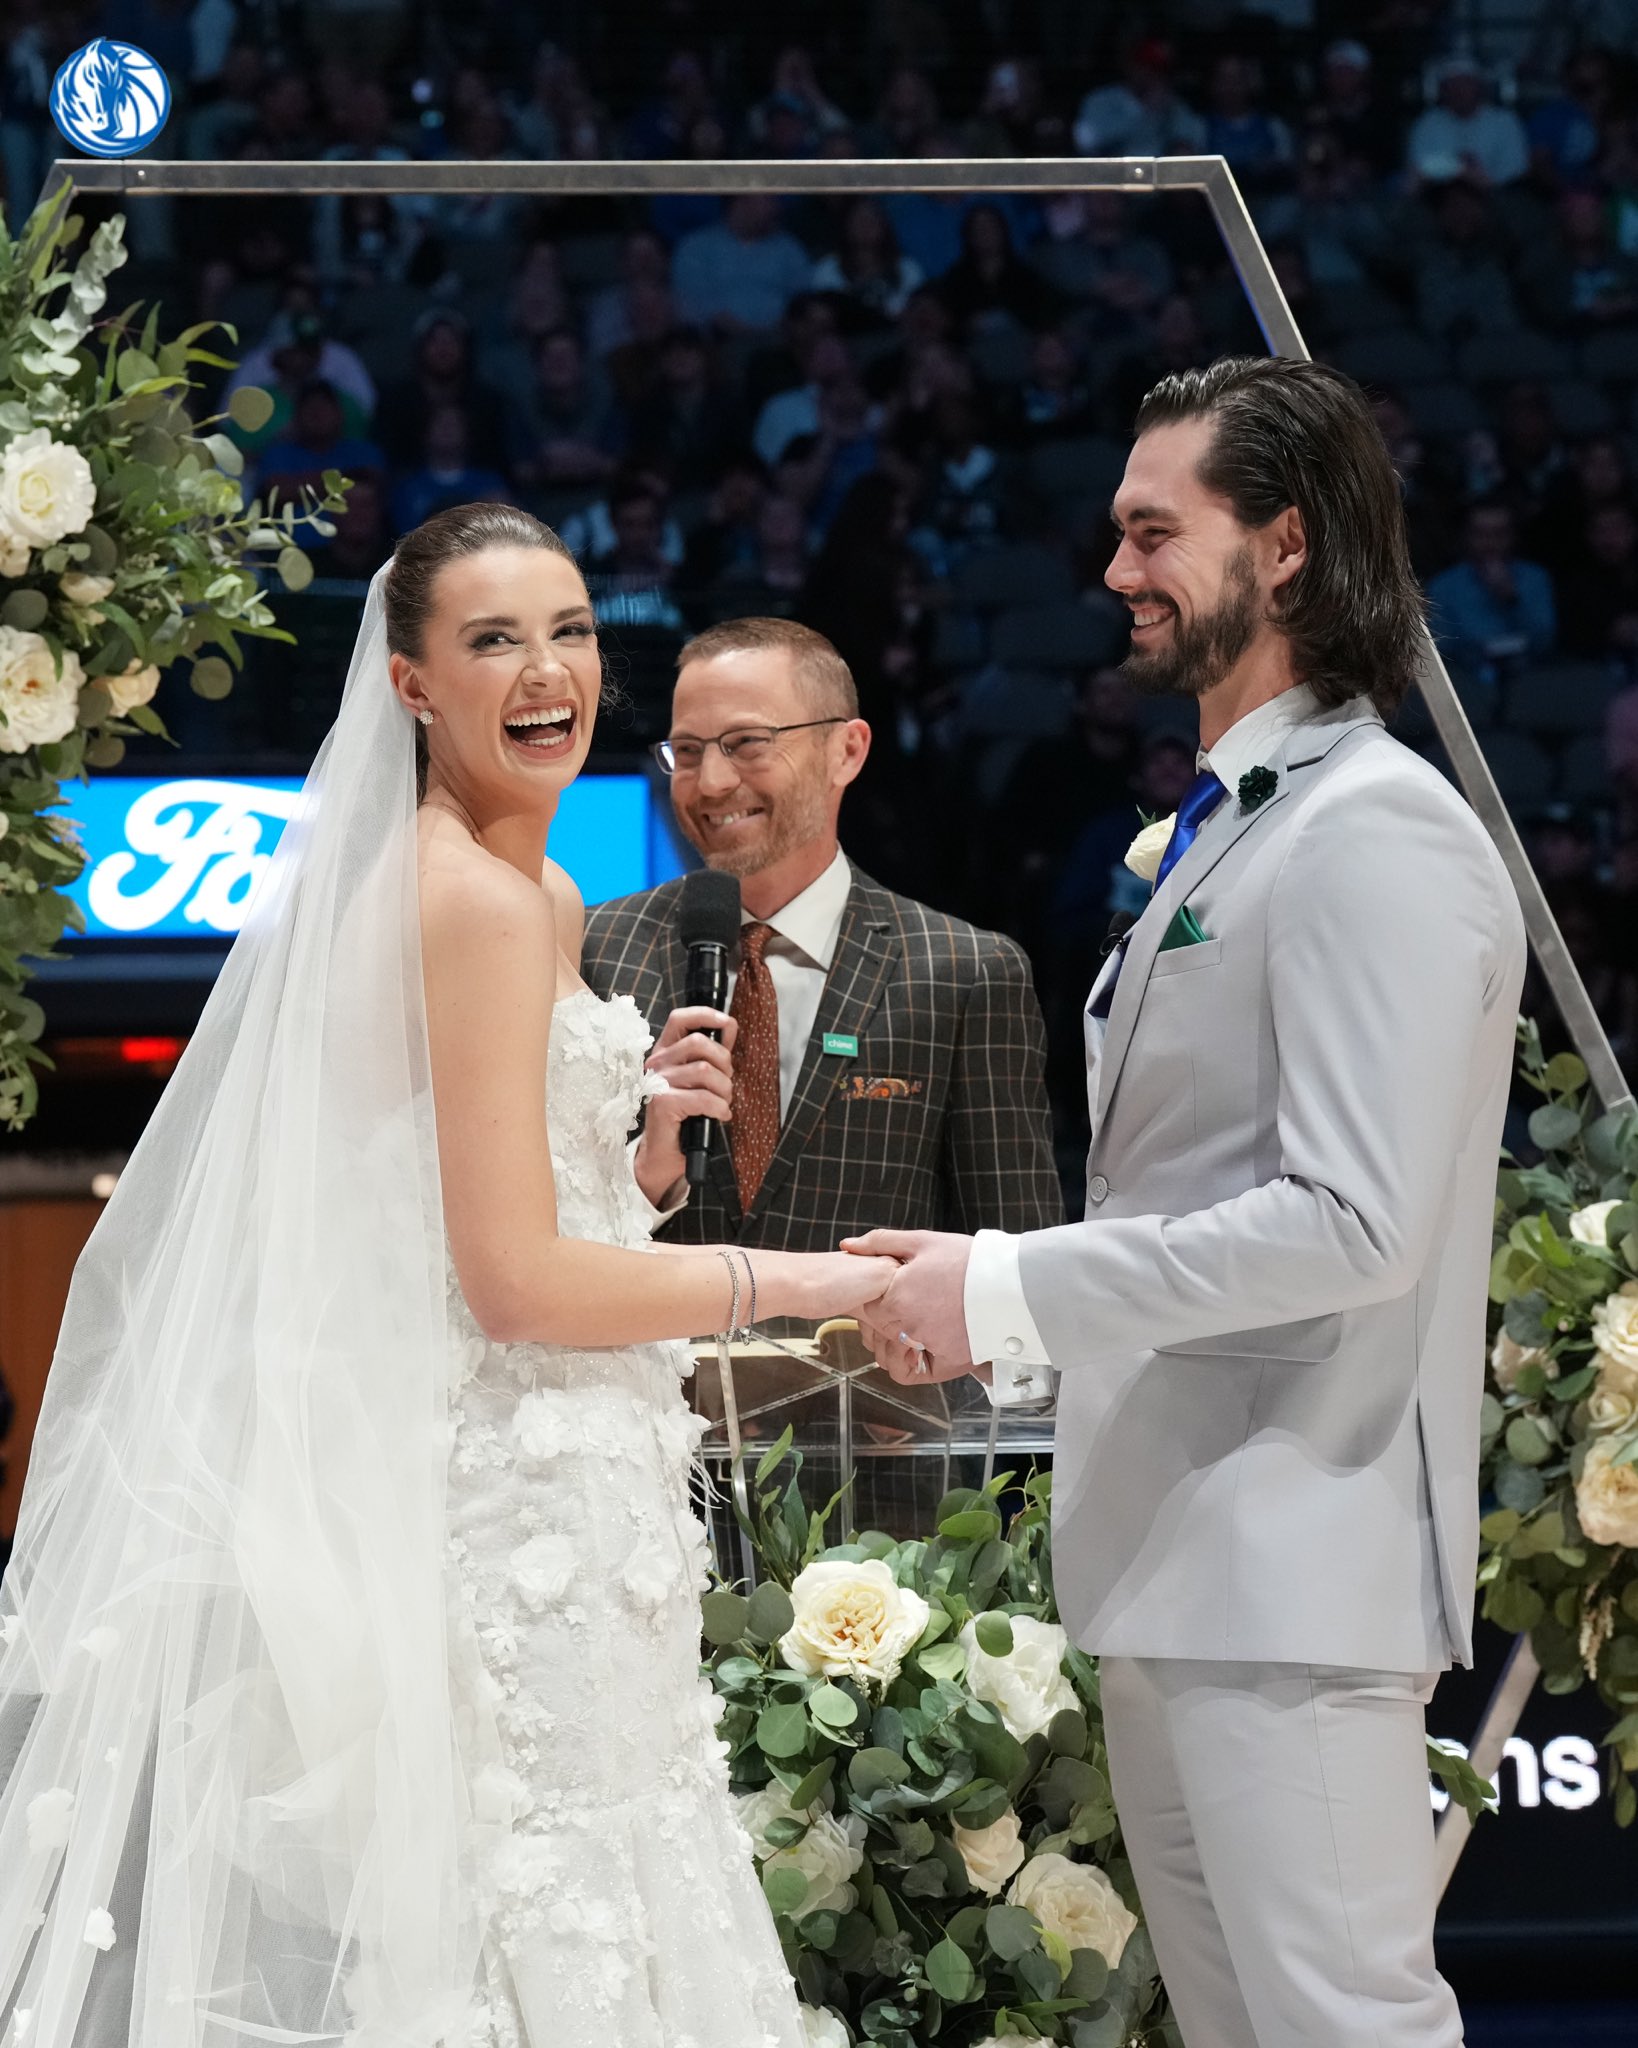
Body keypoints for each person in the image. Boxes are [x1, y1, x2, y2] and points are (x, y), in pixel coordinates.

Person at [0, 504, 895, 2046]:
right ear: (411, 686)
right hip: (506, 1509)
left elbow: (472, 1214)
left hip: (577, 1481)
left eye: (569, 631)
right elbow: (514, 1289)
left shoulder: (535, 894)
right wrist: (808, 1281)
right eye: (494, 640)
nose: (548, 672)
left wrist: (644, 1156)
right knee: (545, 1911)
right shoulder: (468, 902)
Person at [845, 357, 1526, 2048]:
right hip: (1184, 1564)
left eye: (1153, 531)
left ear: (1280, 547)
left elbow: (1354, 1224)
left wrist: (1007, 1287)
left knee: (1343, 2022)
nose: (1114, 572)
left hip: (1295, 1570)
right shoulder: (1222, 827)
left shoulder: (1381, 832)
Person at [580, 616, 1063, 1253]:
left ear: (848, 751)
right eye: (688, 751)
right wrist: (649, 1171)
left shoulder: (965, 973)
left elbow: (1013, 1260)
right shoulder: (594, 947)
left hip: (861, 1355)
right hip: (650, 1352)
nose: (713, 782)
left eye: (747, 742)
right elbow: (532, 1238)